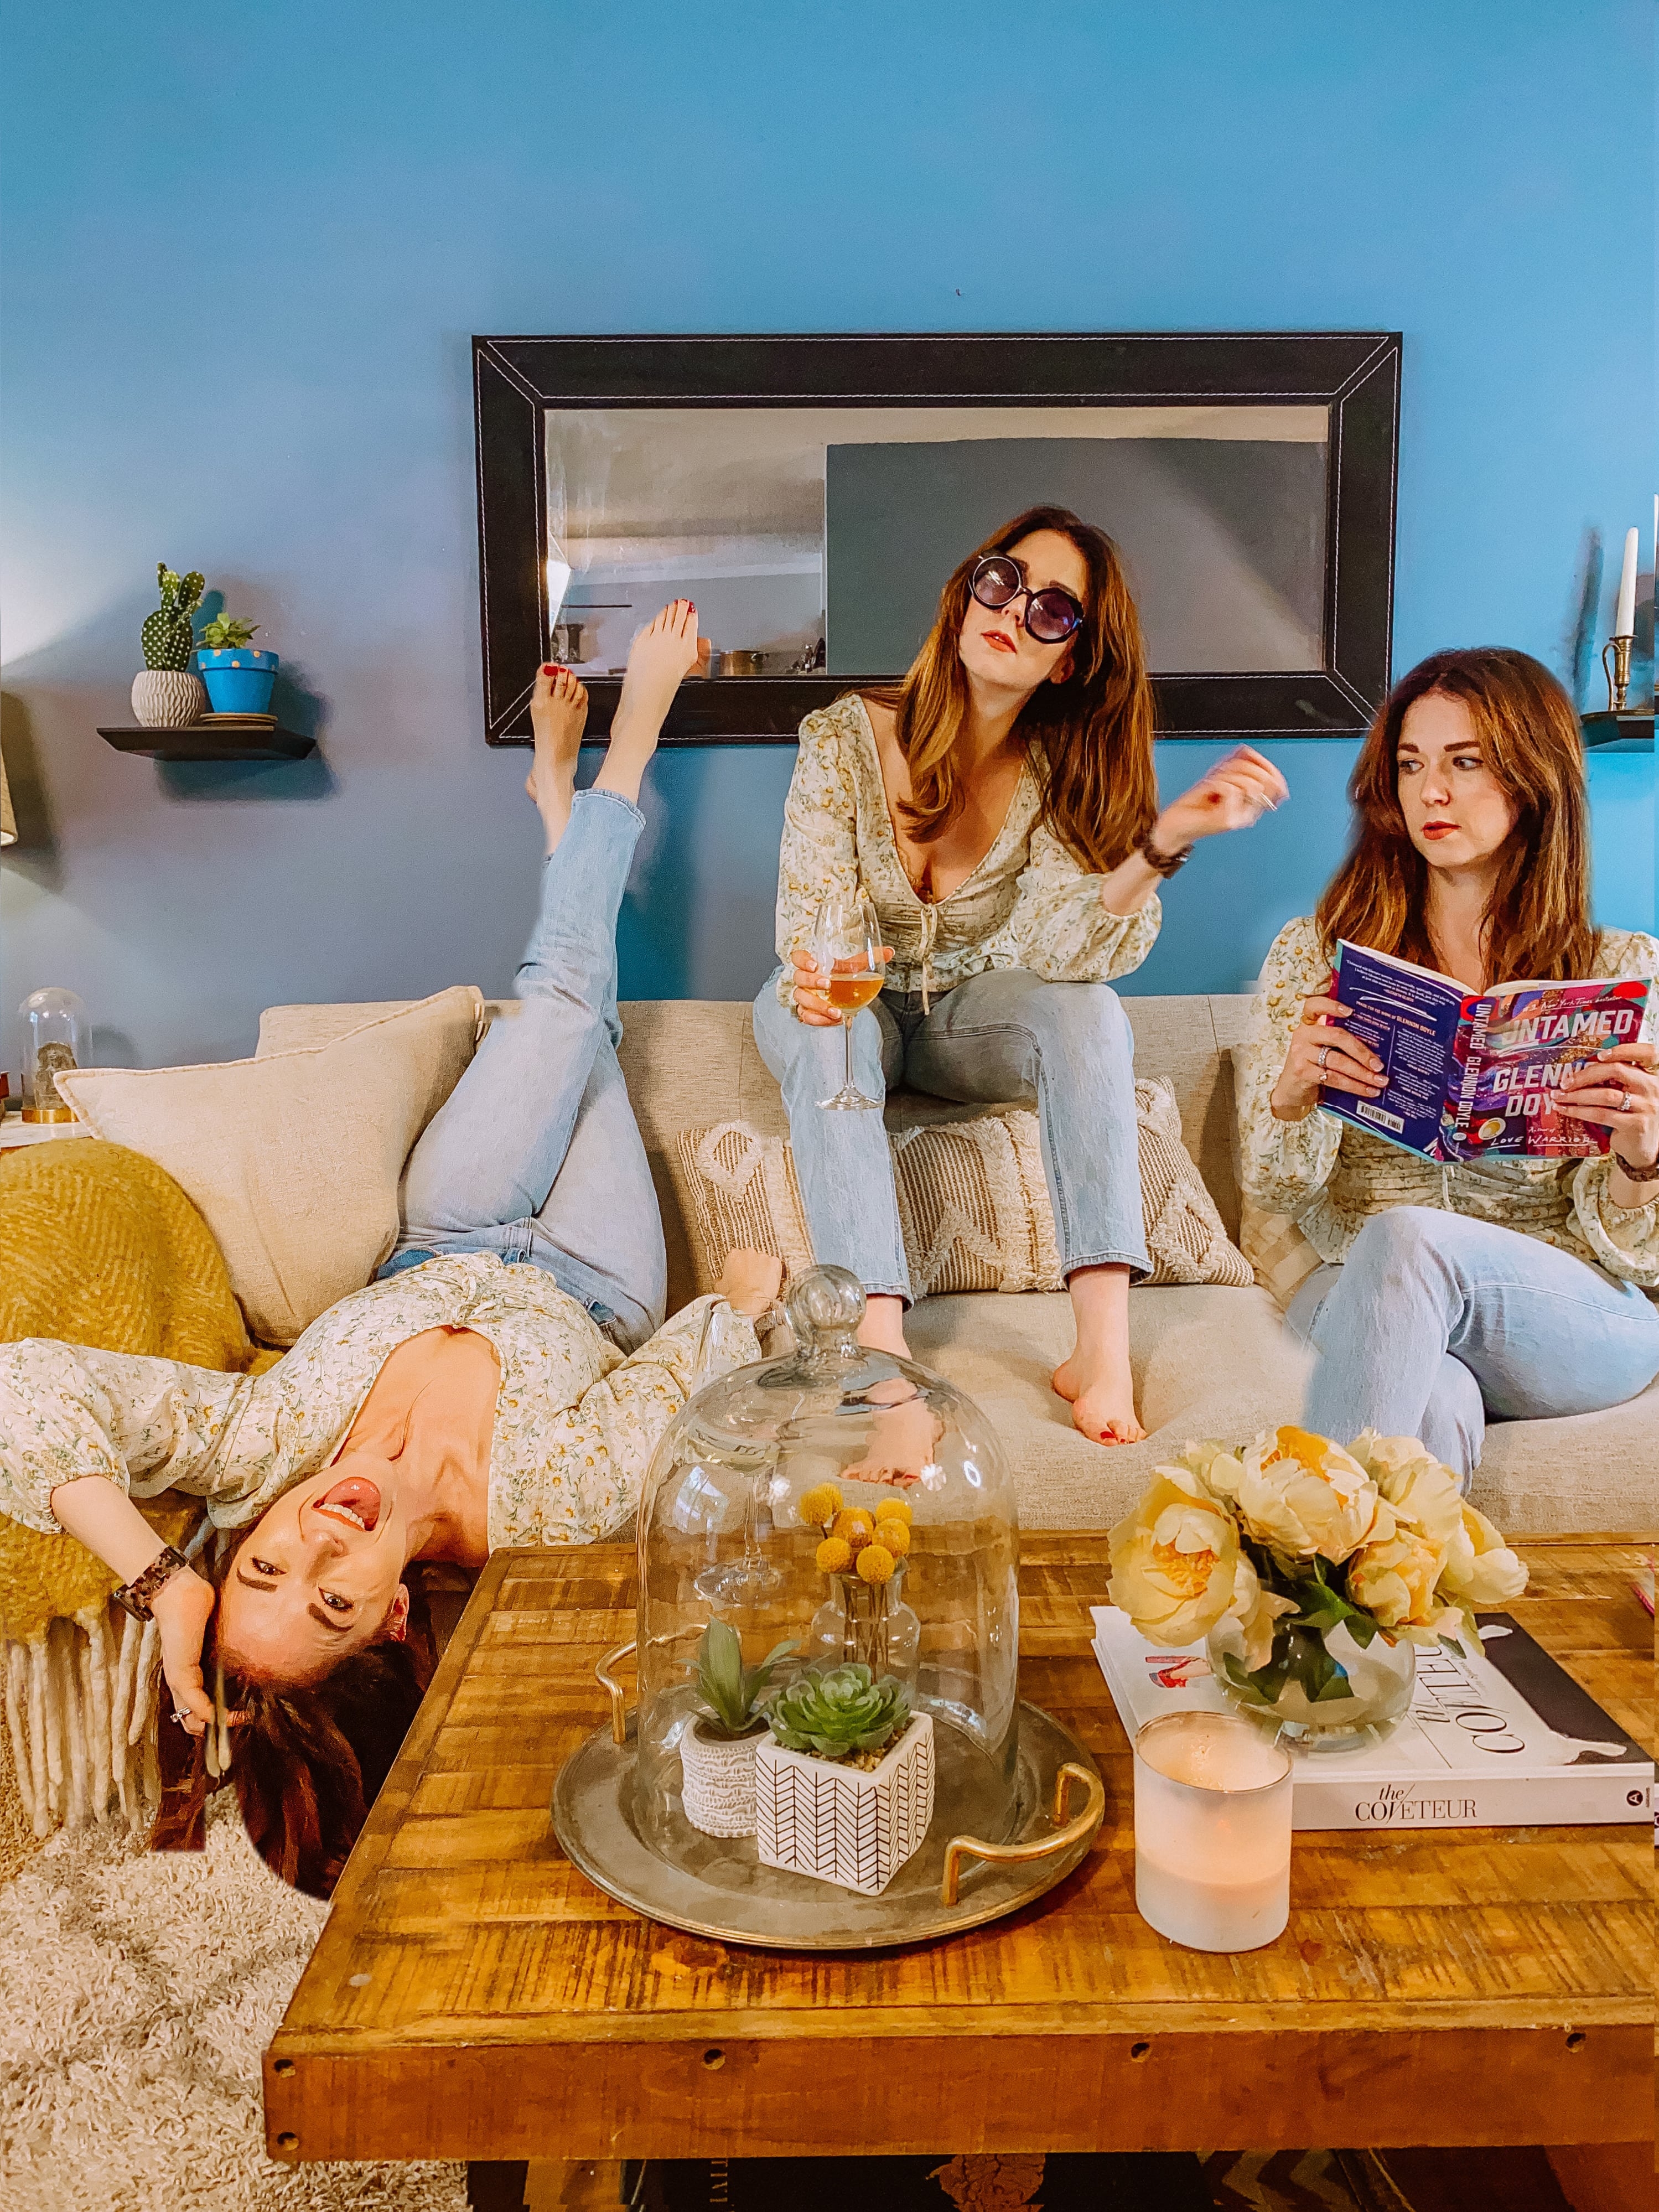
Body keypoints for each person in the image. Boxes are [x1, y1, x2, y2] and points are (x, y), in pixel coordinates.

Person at [0, 601, 783, 1886]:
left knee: (568, 1005)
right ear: (394, 1620)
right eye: (332, 1596)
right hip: (597, 1283)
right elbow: (664, 1384)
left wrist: (163, 1584)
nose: (317, 1535)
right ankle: (553, 808)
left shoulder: (262, 1453)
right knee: (587, 1034)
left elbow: (19, 1388)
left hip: (454, 1227)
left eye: (263, 1562)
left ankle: (619, 756)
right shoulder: (543, 1510)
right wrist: (735, 1309)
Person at [753, 504, 1287, 1446]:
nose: (1013, 609)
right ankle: (881, 1360)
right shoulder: (841, 736)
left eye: (1052, 609)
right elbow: (813, 914)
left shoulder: (1052, 773)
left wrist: (1161, 842)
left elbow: (1062, 951)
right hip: (842, 1006)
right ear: (967, 593)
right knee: (828, 1024)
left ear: (1070, 657)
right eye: (1001, 581)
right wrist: (822, 975)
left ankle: (1101, 1349)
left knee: (1085, 1013)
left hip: (968, 1021)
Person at [1237, 645, 1659, 1480]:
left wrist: (1639, 1162)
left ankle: (1301, 1571)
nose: (1430, 790)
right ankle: (1380, 1610)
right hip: (1363, 1285)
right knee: (1430, 1392)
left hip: (1564, 1304)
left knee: (1410, 1240)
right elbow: (1274, 1193)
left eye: (1464, 762)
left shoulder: (1625, 969)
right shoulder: (1314, 957)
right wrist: (1290, 1101)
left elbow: (1632, 1257)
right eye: (1410, 764)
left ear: (1531, 779)